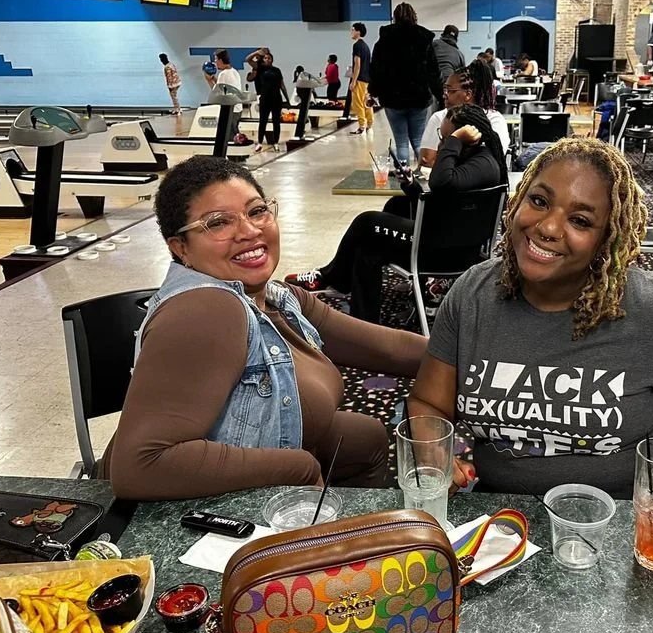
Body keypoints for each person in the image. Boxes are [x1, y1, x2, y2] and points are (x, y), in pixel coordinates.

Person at [403, 137, 653, 526]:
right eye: (538, 201)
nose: (548, 227)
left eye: (580, 221)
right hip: (506, 520)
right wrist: (432, 453)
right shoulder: (472, 295)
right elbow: (428, 402)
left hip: (629, 525)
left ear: (608, 239)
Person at [100, 156, 426, 500]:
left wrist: (470, 351)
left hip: (261, 450)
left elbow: (387, 348)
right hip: (172, 508)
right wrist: (297, 469)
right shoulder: (206, 310)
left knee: (364, 438)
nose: (249, 231)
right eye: (218, 223)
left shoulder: (275, 297)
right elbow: (140, 468)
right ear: (180, 248)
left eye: (256, 211)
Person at [286, 104, 508, 324]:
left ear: (468, 137)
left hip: (448, 252)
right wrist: (411, 186)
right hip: (448, 238)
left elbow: (440, 182)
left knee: (367, 221)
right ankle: (361, 317)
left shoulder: (483, 165)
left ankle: (333, 280)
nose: (442, 142)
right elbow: (443, 201)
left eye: (447, 136)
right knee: (389, 216)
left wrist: (453, 142)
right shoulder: (478, 160)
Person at [369, 3, 435, 163]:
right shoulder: (424, 39)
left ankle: (405, 179)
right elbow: (433, 70)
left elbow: (376, 69)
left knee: (401, 143)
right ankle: (425, 176)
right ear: (414, 16)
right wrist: (439, 93)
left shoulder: (384, 41)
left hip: (393, 99)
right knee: (419, 141)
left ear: (395, 17)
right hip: (419, 98)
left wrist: (373, 92)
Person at [419, 59, 509, 168]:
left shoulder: (494, 120)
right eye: (444, 90)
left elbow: (489, 164)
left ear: (468, 94)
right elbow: (426, 161)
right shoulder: (438, 117)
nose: (444, 95)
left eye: (450, 90)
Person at [252, 51, 287, 153]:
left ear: (272, 60)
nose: (267, 60)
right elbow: (248, 59)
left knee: (276, 121)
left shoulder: (277, 70)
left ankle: (275, 142)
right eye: (265, 58)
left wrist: (287, 99)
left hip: (276, 98)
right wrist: (257, 52)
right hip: (265, 98)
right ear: (263, 59)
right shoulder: (260, 69)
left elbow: (282, 85)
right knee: (263, 121)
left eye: (269, 58)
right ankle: (259, 143)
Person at [430, 24, 466, 109]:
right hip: (449, 87)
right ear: (456, 39)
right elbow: (462, 75)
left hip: (431, 85)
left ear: (443, 34)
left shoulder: (433, 44)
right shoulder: (460, 54)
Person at [349, 23, 374, 135]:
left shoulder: (357, 46)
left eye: (353, 30)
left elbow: (357, 64)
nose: (352, 32)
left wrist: (353, 81)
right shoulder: (366, 46)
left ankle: (361, 126)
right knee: (366, 103)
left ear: (358, 32)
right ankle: (369, 123)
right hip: (367, 79)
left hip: (359, 79)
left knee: (358, 103)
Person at [213, 49, 243, 140]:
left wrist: (208, 80)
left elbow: (216, 93)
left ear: (221, 60)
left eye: (215, 59)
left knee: (229, 137)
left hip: (229, 110)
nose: (214, 61)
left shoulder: (223, 74)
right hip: (238, 108)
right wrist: (214, 79)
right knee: (235, 133)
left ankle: (234, 153)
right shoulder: (234, 72)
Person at [292, 66, 327, 140]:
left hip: (301, 93)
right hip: (303, 93)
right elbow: (309, 82)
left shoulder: (299, 76)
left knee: (303, 111)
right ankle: (300, 132)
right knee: (303, 111)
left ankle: (300, 132)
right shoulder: (303, 75)